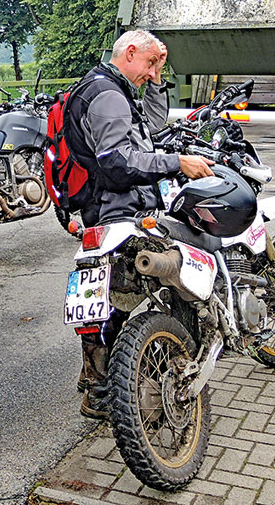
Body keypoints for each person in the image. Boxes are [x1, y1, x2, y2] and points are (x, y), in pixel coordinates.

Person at [65, 29, 214, 419]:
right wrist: (176, 163)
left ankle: (97, 384)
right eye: (148, 64)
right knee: (132, 294)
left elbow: (151, 128)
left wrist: (159, 78)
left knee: (104, 304)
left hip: (105, 209)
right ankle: (140, 377)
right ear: (129, 52)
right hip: (117, 211)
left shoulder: (107, 87)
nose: (150, 73)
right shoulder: (108, 95)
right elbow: (118, 161)